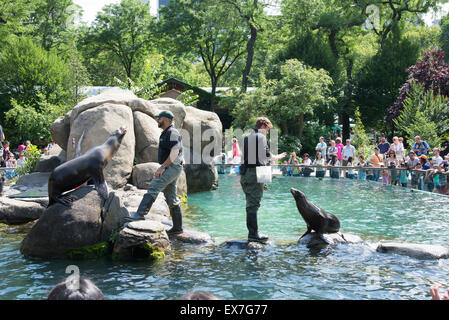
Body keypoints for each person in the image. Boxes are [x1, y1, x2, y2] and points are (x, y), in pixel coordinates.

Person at [125, 110, 185, 235]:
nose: (158, 120)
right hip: (172, 167)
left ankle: (140, 214)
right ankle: (178, 228)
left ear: (167, 120)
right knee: (171, 197)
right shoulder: (166, 133)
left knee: (153, 186)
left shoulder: (172, 132)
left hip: (171, 167)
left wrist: (162, 167)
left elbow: (175, 152)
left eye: (160, 118)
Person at [240, 117, 286, 243]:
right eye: (267, 130)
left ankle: (252, 233)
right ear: (263, 127)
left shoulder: (246, 138)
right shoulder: (261, 137)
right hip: (255, 174)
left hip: (245, 174)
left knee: (250, 203)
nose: (267, 132)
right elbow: (266, 155)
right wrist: (276, 157)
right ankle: (253, 234)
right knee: (253, 205)